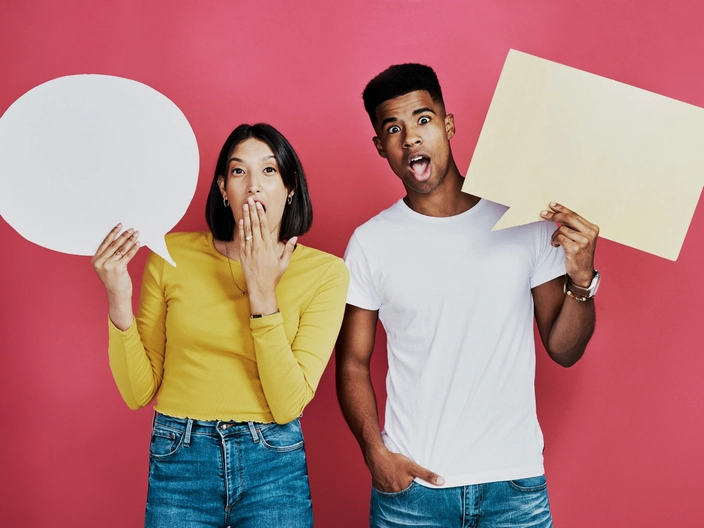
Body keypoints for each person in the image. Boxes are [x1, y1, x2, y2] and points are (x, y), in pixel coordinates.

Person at [336, 63, 600, 527]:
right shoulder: (369, 243)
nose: (411, 138)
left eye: (423, 119)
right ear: (381, 147)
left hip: (514, 488)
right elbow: (353, 362)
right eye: (393, 128)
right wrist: (375, 453)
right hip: (413, 494)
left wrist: (581, 281)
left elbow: (564, 349)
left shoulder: (524, 222)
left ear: (448, 124)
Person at [92, 123, 349, 528]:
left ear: (291, 185)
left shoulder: (327, 273)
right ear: (223, 189)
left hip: (272, 461)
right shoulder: (171, 255)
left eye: (269, 171)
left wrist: (263, 291)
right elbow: (138, 392)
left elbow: (288, 404)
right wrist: (118, 297)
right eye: (238, 171)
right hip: (180, 454)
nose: (253, 185)